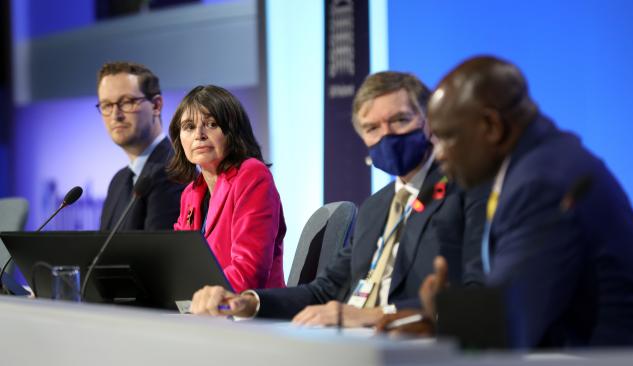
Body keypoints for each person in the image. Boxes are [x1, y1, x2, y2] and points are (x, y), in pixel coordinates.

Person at [380, 55, 633, 348]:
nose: (440, 154)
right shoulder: (540, 164)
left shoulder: (541, 184)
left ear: (491, 126)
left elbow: (505, 327)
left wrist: (442, 310)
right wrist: (438, 321)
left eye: (447, 138)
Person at [190, 72, 487, 327]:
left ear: (429, 122)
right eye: (373, 128)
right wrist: (246, 303)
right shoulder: (376, 207)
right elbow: (325, 290)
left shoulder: (470, 191)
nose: (387, 134)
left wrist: (374, 316)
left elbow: (478, 294)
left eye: (400, 120)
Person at [168, 85, 286, 293]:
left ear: (233, 131)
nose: (199, 135)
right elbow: (178, 263)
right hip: (204, 313)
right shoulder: (191, 193)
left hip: (250, 313)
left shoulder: (252, 176)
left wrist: (193, 295)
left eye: (211, 124)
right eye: (188, 127)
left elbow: (248, 272)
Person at [97, 62, 183, 231]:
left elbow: (158, 254)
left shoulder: (174, 172)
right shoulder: (118, 181)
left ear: (156, 105)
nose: (116, 115)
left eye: (127, 102)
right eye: (107, 105)